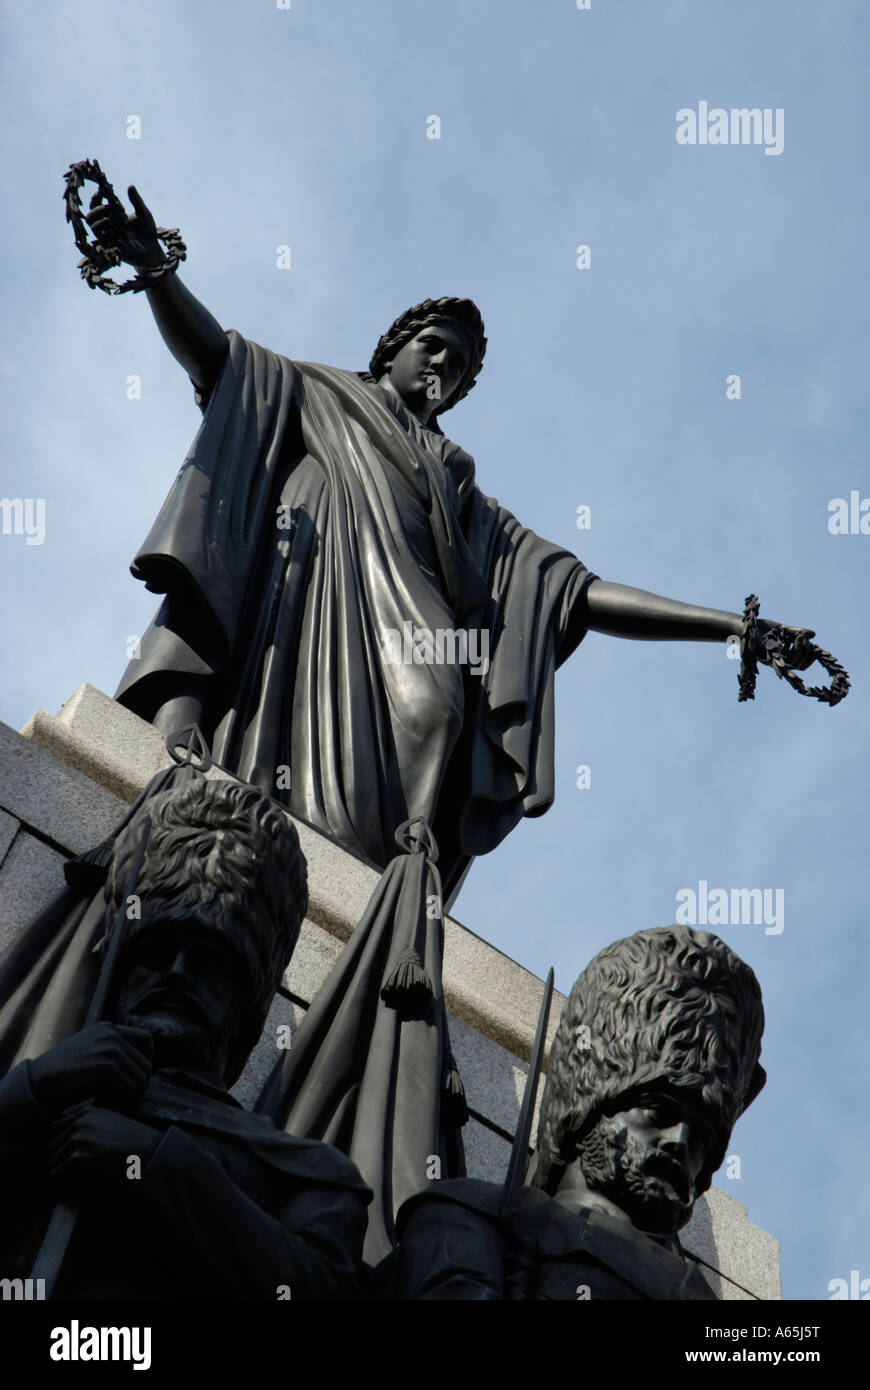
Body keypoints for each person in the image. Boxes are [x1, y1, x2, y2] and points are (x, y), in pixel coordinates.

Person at [87, 186, 812, 900]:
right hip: (306, 594)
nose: (442, 368)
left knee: (436, 710)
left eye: (457, 368)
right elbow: (215, 356)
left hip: (416, 628)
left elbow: (573, 591)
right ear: (391, 351)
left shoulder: (464, 492)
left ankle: (351, 896)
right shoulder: (318, 392)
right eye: (434, 348)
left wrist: (729, 628)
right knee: (287, 735)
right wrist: (158, 273)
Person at [0, 778, 371, 1299]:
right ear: (118, 962)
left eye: (210, 961)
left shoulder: (308, 1172)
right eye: (156, 950)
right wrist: (36, 1090)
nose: (177, 974)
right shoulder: (43, 1093)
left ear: (247, 997)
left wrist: (154, 1165)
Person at [390, 924, 765, 1300]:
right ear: (589, 1103)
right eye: (659, 1110)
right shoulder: (466, 1217)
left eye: (703, 1139)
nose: (679, 1142)